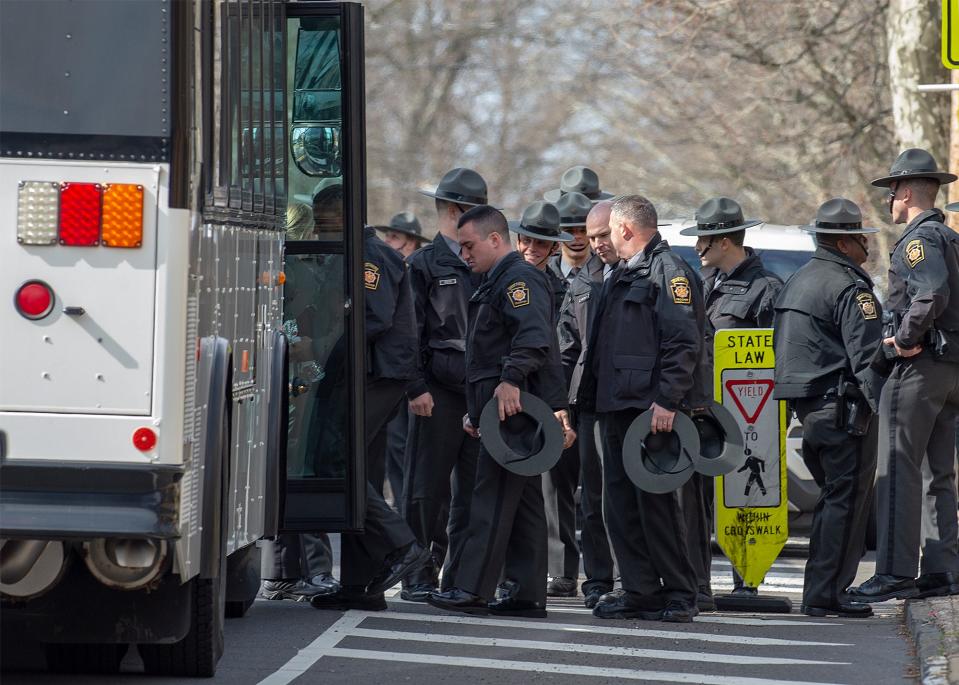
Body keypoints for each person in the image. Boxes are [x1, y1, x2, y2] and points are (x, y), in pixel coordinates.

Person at [427, 205, 573, 618]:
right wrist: (476, 410)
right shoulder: (497, 280)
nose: (464, 254)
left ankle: (472, 590)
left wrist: (509, 380)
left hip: (513, 408)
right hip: (505, 409)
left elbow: (532, 337)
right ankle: (526, 595)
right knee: (525, 504)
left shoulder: (517, 278)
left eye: (470, 245)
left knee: (488, 499)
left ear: (496, 239)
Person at [579, 194, 706, 623]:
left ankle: (680, 594)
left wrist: (668, 400)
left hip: (650, 411)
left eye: (610, 231)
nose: (605, 241)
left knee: (657, 507)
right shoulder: (621, 273)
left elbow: (683, 340)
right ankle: (640, 590)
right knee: (620, 505)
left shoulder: (669, 273)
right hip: (616, 406)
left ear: (626, 229)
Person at [851, 149, 959, 603]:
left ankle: (895, 573)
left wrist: (905, 338)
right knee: (940, 475)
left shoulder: (918, 241)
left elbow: (930, 292)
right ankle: (942, 571)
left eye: (892, 190)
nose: (889, 199)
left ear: (908, 192)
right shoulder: (950, 238)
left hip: (919, 368)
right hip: (950, 370)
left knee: (897, 468)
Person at [773, 197, 882, 618]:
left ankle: (823, 591)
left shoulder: (797, 281)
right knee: (847, 504)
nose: (865, 246)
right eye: (859, 238)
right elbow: (868, 358)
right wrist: (883, 411)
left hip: (810, 413)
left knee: (832, 502)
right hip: (844, 412)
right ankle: (828, 594)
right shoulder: (851, 288)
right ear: (842, 244)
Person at [311, 226, 429, 611]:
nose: (318, 230)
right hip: (372, 373)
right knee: (363, 472)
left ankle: (401, 543)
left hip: (377, 374)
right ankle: (362, 586)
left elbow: (371, 318)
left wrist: (324, 348)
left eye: (324, 220)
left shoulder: (370, 256)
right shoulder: (359, 251)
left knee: (337, 461)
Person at [679, 196, 782, 607]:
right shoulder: (704, 284)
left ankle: (746, 578)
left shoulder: (766, 289)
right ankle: (698, 584)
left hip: (748, 412)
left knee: (745, 492)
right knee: (699, 497)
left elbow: (772, 355)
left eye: (704, 239)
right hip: (706, 411)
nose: (697, 247)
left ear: (723, 241)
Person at [400, 169, 487, 601]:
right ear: (455, 212)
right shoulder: (424, 264)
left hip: (479, 394)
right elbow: (409, 333)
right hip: (436, 393)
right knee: (424, 490)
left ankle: (457, 576)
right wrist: (416, 387)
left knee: (470, 491)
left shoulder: (486, 262)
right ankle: (418, 572)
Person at [259, 203, 339, 602]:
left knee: (281, 468)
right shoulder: (306, 271)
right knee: (302, 467)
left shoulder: (267, 264)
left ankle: (280, 571)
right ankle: (317, 568)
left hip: (277, 377)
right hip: (302, 376)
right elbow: (308, 328)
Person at [555, 198, 618, 608]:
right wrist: (560, 403)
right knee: (593, 499)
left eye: (598, 235)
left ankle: (630, 576)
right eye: (585, 235)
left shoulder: (639, 272)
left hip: (628, 404)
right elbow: (564, 347)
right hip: (589, 404)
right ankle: (597, 579)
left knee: (623, 498)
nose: (591, 243)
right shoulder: (581, 282)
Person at [377, 212, 429, 508]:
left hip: (417, 376)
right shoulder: (392, 269)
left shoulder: (418, 272)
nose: (388, 241)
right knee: (395, 446)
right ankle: (400, 504)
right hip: (397, 375)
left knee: (411, 447)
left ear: (410, 242)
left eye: (394, 236)